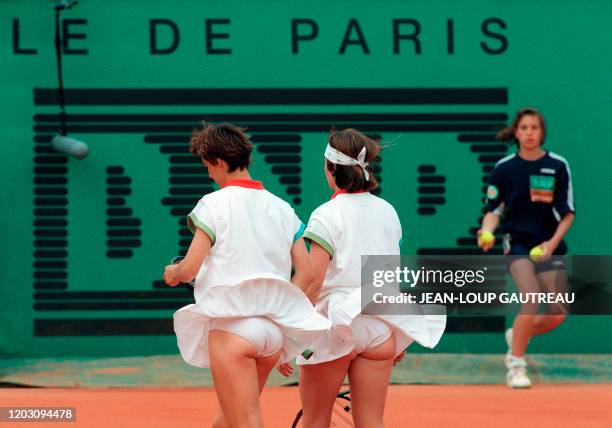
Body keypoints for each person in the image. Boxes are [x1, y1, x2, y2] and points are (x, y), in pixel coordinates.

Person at [163, 123, 331, 428]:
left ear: (219, 161)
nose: (209, 175)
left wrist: (175, 272)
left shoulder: (212, 204)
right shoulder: (283, 209)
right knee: (225, 422)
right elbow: (306, 274)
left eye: (207, 167)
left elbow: (190, 268)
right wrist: (285, 325)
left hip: (234, 335)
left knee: (246, 423)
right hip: (270, 337)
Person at [289, 129, 446, 428]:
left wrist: (290, 336)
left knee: (315, 422)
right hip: (378, 329)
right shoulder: (388, 212)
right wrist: (395, 334)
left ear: (332, 168)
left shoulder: (325, 214)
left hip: (335, 327)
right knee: (372, 422)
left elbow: (312, 281)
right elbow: (388, 276)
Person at [477, 108, 575, 388]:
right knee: (530, 297)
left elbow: (568, 212)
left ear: (541, 132)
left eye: (534, 127)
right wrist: (487, 231)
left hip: (549, 242)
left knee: (557, 312)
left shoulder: (558, 165)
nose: (529, 132)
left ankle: (517, 334)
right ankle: (516, 365)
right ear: (516, 132)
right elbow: (494, 210)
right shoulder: (505, 168)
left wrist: (551, 244)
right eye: (524, 127)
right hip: (516, 241)